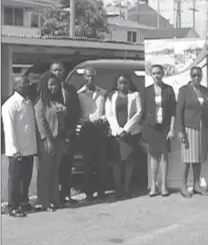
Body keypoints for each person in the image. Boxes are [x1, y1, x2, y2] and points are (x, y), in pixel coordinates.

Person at [2, 75, 37, 217]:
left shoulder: (28, 102)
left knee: (26, 177)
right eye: (24, 83)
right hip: (17, 151)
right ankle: (13, 206)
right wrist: (14, 150)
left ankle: (24, 202)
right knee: (15, 179)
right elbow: (9, 130)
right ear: (16, 86)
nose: (28, 84)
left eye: (28, 82)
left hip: (29, 148)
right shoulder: (10, 104)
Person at [176, 66, 208, 198]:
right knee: (187, 158)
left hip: (202, 127)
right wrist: (180, 130)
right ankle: (183, 186)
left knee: (198, 158)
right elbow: (179, 111)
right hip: (189, 127)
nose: (196, 78)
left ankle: (196, 184)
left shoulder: (204, 91)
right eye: (194, 75)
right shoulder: (184, 91)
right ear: (190, 77)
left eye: (199, 75)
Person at [105, 74, 142, 199]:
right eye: (120, 83)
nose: (123, 85)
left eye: (125, 83)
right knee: (117, 163)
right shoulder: (111, 96)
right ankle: (118, 188)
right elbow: (109, 114)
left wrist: (126, 129)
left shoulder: (135, 95)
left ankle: (127, 188)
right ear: (116, 84)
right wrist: (118, 130)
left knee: (129, 162)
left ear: (129, 83)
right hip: (116, 134)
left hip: (131, 134)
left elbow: (138, 113)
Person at [142, 64, 176, 197]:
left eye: (159, 73)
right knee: (153, 156)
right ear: (151, 75)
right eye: (154, 73)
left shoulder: (169, 90)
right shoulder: (146, 91)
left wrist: (172, 128)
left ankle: (164, 186)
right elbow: (143, 113)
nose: (156, 76)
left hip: (165, 127)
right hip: (151, 127)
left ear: (163, 74)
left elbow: (173, 111)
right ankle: (153, 186)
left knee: (164, 156)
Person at [35, 72, 67, 211]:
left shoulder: (58, 101)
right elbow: (41, 122)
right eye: (51, 85)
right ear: (45, 86)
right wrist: (47, 139)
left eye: (56, 85)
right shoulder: (41, 102)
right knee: (45, 172)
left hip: (59, 139)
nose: (54, 88)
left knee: (55, 171)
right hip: (47, 141)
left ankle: (55, 199)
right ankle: (45, 202)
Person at [50, 62, 81, 205]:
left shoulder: (71, 89)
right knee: (54, 166)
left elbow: (76, 111)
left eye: (60, 70)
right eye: (55, 70)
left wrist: (71, 130)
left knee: (67, 165)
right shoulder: (48, 91)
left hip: (69, 133)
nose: (58, 72)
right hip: (55, 134)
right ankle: (54, 195)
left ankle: (66, 194)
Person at [77, 67, 108, 201]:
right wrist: (84, 122)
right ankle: (88, 191)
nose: (90, 79)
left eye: (93, 76)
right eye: (88, 76)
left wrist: (102, 119)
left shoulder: (103, 93)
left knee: (101, 161)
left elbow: (109, 112)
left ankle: (101, 190)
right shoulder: (79, 94)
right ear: (84, 77)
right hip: (86, 129)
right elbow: (77, 114)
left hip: (100, 128)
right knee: (87, 162)